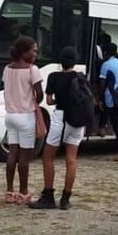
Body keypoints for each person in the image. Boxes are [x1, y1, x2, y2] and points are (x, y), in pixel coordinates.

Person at [30, 47, 85, 210]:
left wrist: (59, 99)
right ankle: (65, 199)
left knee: (48, 157)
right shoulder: (81, 77)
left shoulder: (54, 77)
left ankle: (48, 195)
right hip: (77, 120)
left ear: (61, 61)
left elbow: (49, 100)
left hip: (60, 118)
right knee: (71, 160)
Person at [2, 36, 43, 205]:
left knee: (12, 153)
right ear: (24, 52)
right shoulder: (32, 70)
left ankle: (9, 191)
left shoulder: (7, 68)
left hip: (10, 115)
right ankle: (23, 192)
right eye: (33, 51)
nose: (35, 54)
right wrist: (33, 101)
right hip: (25, 115)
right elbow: (39, 94)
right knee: (24, 156)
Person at [99, 42, 118, 162]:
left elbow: (102, 84)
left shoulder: (106, 65)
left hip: (110, 96)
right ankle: (102, 128)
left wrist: (100, 98)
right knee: (113, 117)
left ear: (105, 53)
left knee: (115, 122)